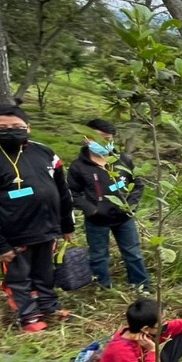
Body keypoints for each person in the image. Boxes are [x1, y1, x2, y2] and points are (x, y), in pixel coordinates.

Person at [0, 103, 75, 333]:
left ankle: (49, 306)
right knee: (19, 277)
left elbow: (62, 190)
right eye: (2, 127)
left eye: (16, 126)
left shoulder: (44, 152)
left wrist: (67, 223)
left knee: (45, 272)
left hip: (47, 229)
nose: (10, 130)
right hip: (14, 235)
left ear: (28, 127)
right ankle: (28, 316)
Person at [67, 118, 150, 291]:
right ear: (86, 138)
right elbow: (73, 193)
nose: (103, 142)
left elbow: (138, 183)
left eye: (108, 138)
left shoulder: (123, 160)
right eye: (98, 138)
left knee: (133, 253)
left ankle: (141, 285)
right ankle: (103, 287)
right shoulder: (78, 167)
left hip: (124, 217)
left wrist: (131, 205)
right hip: (97, 220)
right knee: (98, 255)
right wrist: (93, 210)